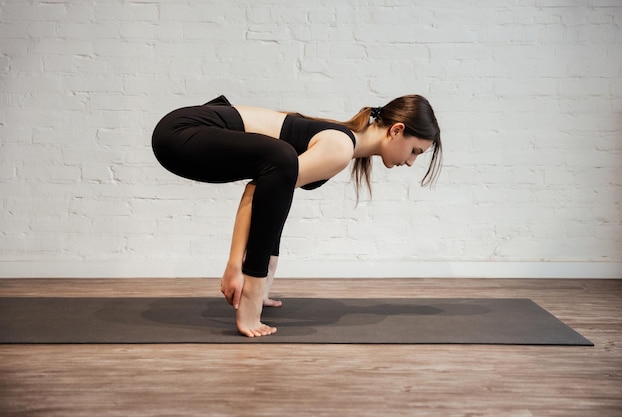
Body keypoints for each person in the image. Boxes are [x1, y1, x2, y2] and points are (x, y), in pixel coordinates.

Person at [152, 94, 441, 337]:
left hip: (187, 129)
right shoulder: (340, 147)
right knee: (280, 162)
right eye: (415, 150)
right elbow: (258, 189)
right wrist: (237, 269)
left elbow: (275, 198)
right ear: (396, 130)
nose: (412, 162)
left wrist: (266, 280)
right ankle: (250, 297)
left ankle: (258, 290)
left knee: (280, 176)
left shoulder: (341, 142)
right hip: (180, 132)